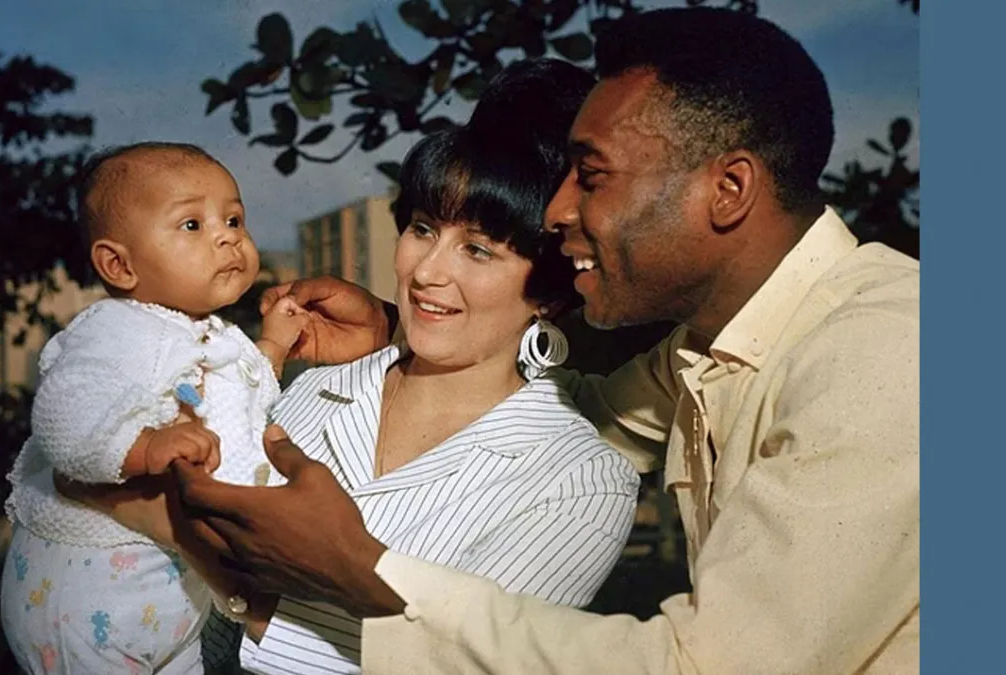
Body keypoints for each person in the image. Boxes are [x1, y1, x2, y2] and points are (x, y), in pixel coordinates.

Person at [167, 8, 920, 675]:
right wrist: (407, 326)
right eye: (424, 229)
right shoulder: (709, 349)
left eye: (591, 176)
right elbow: (565, 408)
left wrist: (362, 567)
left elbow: (701, 664)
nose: (558, 210)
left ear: (727, 190)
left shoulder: (888, 351)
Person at [61, 59, 643, 675]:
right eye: (423, 228)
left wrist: (216, 565)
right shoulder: (312, 391)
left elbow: (476, 666)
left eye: (477, 249)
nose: (426, 272)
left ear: (549, 294)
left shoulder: (581, 480)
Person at [0, 142, 309, 674]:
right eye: (192, 224)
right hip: (88, 594)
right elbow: (63, 414)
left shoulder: (213, 335)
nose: (227, 235)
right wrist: (144, 447)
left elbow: (238, 404)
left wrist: (273, 348)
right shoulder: (114, 331)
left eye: (234, 218)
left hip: (171, 595)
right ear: (118, 264)